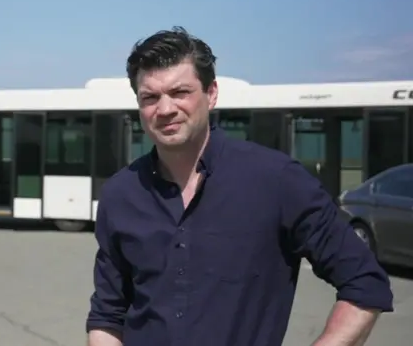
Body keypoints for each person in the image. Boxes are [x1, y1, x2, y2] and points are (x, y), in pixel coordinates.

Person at [85, 26, 394, 346]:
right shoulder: (120, 194)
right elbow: (108, 316)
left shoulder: (276, 180)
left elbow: (364, 283)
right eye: (150, 97)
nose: (165, 109)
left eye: (180, 92)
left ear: (211, 93)